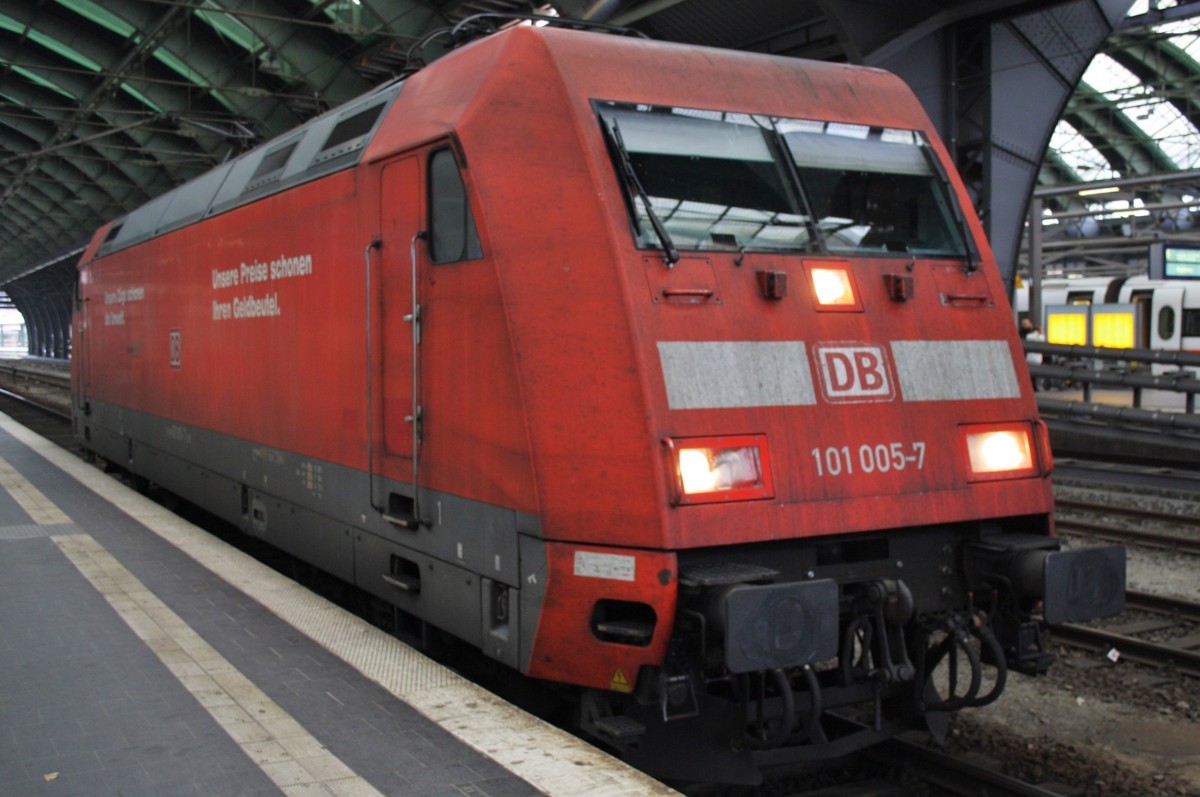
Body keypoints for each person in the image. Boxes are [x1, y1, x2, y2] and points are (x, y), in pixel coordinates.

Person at [1025, 325, 1044, 391]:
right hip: (1037, 359)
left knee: (1030, 373)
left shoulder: (1029, 336)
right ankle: (1036, 386)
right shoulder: (1041, 337)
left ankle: (1030, 386)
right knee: (1037, 374)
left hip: (1030, 358)